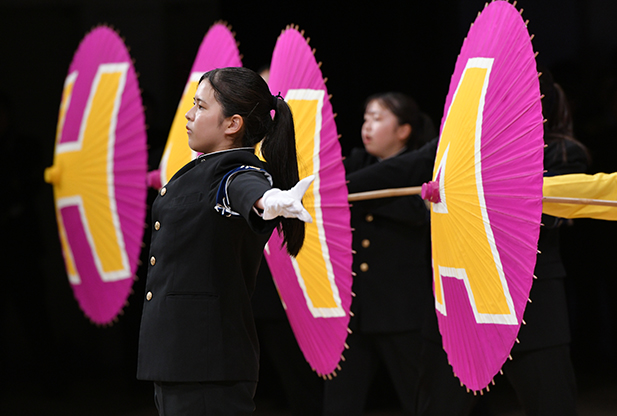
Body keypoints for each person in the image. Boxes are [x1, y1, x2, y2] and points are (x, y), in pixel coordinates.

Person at [136, 67, 314, 416]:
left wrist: (269, 201)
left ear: (232, 124)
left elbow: (245, 190)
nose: (189, 115)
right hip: (177, 353)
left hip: (206, 358)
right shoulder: (203, 167)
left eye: (201, 107)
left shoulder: (238, 171)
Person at [415, 70, 589, 416]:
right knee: (441, 405)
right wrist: (330, 190)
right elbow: (403, 169)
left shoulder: (563, 152)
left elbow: (549, 214)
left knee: (550, 404)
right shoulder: (461, 147)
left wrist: (482, 188)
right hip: (464, 299)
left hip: (530, 303)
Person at [322, 92, 436, 415]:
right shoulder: (357, 162)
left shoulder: (426, 165)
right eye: (366, 118)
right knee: (339, 402)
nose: (367, 126)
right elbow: (331, 198)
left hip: (402, 306)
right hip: (354, 308)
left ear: (403, 130)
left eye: (378, 118)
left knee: (420, 399)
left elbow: (420, 212)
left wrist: (364, 199)